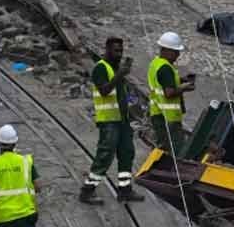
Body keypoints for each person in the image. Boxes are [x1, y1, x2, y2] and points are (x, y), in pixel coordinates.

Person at [81, 37, 144, 204]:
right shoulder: (100, 68)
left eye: (121, 51)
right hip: (109, 121)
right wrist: (120, 74)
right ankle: (87, 190)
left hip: (122, 120)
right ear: (107, 50)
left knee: (126, 153)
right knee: (105, 155)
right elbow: (104, 90)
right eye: (116, 51)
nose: (119, 54)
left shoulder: (116, 68)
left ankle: (125, 189)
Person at [147, 31, 196, 156]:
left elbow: (163, 82)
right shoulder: (166, 68)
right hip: (169, 117)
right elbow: (169, 93)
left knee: (163, 147)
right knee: (177, 150)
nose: (178, 55)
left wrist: (180, 80)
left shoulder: (156, 63)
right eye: (175, 51)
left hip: (158, 112)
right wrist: (184, 87)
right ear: (166, 50)